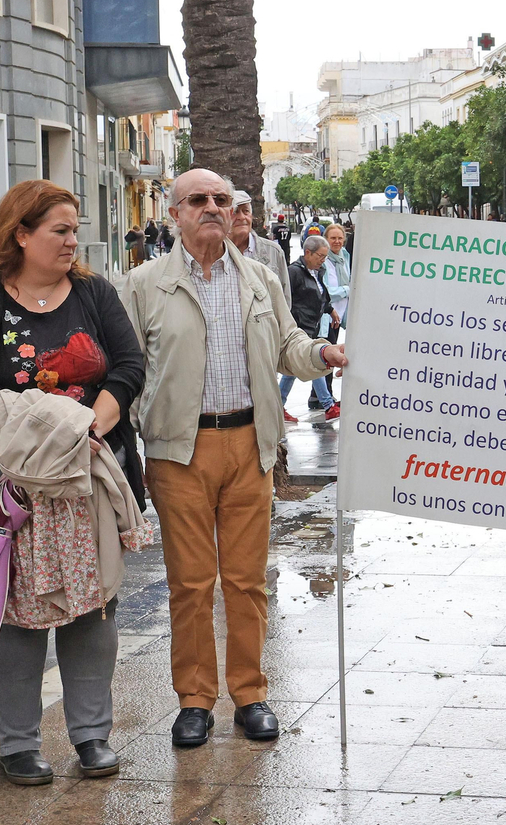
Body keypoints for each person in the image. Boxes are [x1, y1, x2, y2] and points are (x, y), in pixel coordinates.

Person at [121, 168, 346, 748]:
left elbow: (289, 345)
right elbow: (124, 370)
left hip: (251, 445)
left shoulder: (260, 280)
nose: (213, 209)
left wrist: (322, 353)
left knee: (247, 581)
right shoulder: (143, 284)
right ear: (174, 212)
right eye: (198, 200)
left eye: (221, 199)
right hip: (179, 451)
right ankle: (194, 700)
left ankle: (250, 693)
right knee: (191, 583)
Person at [0, 180, 146, 785]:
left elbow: (129, 367)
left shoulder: (93, 293)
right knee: (13, 612)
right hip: (7, 485)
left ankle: (90, 736)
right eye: (60, 229)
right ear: (20, 234)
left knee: (93, 606)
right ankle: (19, 744)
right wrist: (45, 432)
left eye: (74, 229)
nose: (72, 240)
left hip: (87, 478)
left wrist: (87, 429)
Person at [282, 235, 339, 423]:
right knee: (310, 364)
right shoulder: (294, 272)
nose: (322, 260)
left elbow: (321, 296)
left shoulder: (317, 271)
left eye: (325, 257)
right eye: (320, 256)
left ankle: (278, 404)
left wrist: (330, 311)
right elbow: (284, 299)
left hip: (311, 326)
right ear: (307, 253)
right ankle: (328, 404)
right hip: (299, 327)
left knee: (298, 368)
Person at [306, 223, 352, 413]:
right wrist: (348, 290)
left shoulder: (345, 257)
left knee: (328, 357)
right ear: (326, 240)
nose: (337, 241)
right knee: (324, 357)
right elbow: (327, 292)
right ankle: (323, 398)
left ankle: (321, 396)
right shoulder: (323, 262)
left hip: (339, 316)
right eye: (333, 238)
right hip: (326, 316)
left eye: (340, 238)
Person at [229, 190, 290, 305]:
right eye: (235, 212)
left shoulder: (273, 251)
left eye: (246, 211)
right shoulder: (215, 252)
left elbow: (285, 300)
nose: (241, 217)